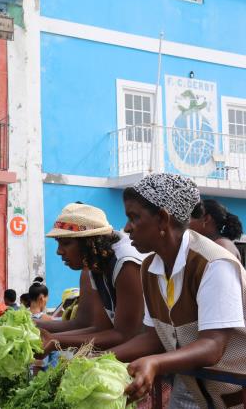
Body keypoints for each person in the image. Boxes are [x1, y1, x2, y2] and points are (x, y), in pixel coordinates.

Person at [112, 173, 246, 408]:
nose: (126, 228)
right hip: (201, 394)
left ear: (163, 219)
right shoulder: (149, 268)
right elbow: (155, 337)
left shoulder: (213, 264)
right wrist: (104, 357)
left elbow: (212, 345)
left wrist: (154, 363)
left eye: (134, 217)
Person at [37, 203, 146, 353]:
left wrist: (57, 341)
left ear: (89, 242)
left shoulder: (126, 263)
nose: (59, 252)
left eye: (66, 243)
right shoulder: (96, 264)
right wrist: (36, 330)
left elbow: (125, 335)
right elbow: (102, 328)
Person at [190, 198, 243, 263]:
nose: (188, 221)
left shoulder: (223, 246)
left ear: (206, 219)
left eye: (193, 216)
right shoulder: (215, 244)